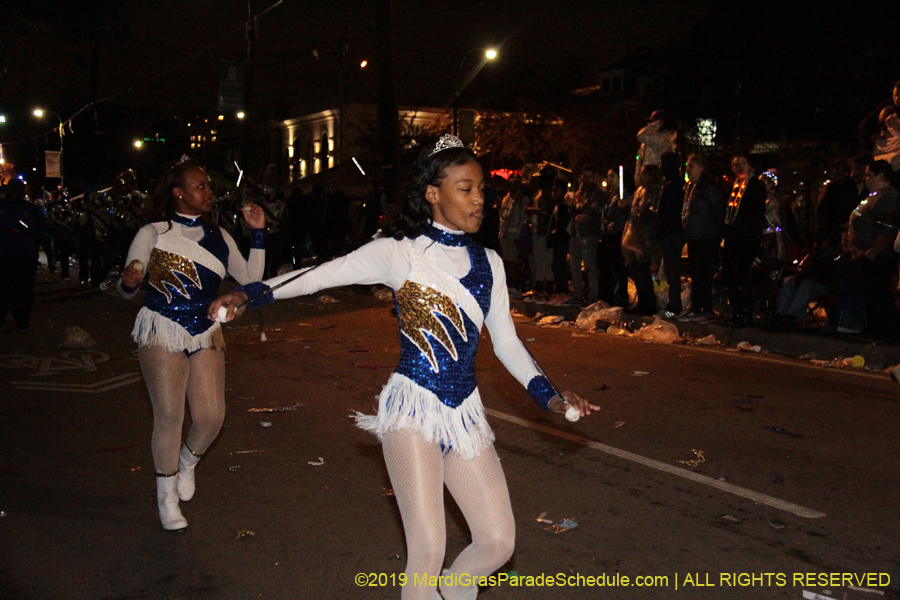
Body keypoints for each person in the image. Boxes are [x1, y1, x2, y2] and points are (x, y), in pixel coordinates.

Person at [209, 135, 599, 600]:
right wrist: (248, 295)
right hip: (412, 409)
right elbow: (316, 276)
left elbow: (509, 345)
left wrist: (552, 397)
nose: (479, 200)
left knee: (497, 543)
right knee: (428, 551)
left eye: (481, 190)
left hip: (464, 414)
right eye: (466, 188)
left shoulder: (489, 263)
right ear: (433, 193)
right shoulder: (399, 252)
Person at [117, 157, 266, 531]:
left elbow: (251, 281)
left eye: (208, 186)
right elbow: (126, 285)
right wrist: (131, 281)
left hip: (205, 330)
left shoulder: (219, 235)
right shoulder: (154, 232)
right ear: (178, 192)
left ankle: (187, 461)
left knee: (212, 416)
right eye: (200, 186)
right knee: (169, 415)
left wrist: (259, 234)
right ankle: (166, 497)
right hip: (162, 327)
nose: (208, 191)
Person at [848, 159, 900, 339]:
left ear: (881, 176)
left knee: (878, 292)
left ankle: (884, 329)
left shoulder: (888, 196)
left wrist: (875, 249)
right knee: (871, 292)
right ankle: (876, 327)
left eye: (869, 174)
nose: (866, 178)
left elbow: (889, 225)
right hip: (865, 253)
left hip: (878, 256)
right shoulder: (875, 195)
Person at [721, 154, 767, 327]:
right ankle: (736, 311)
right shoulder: (732, 187)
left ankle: (747, 313)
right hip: (731, 239)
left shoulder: (756, 186)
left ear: (749, 166)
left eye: (742, 163)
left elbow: (756, 212)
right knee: (729, 275)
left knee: (742, 275)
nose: (739, 167)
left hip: (746, 239)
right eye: (735, 164)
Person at [679, 154, 724, 324]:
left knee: (701, 273)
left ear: (701, 168)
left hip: (706, 236)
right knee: (695, 273)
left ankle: (706, 309)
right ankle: (697, 307)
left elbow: (718, 210)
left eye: (691, 167)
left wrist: (713, 232)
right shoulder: (692, 187)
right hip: (694, 236)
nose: (687, 170)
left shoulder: (707, 188)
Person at [0, 179, 49, 329]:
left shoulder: (31, 209)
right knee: (3, 289)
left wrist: (27, 232)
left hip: (24, 257)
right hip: (3, 256)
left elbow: (43, 229)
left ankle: (22, 318)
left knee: (23, 290)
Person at [622, 164, 663, 315]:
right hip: (639, 237)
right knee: (637, 270)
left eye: (645, 175)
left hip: (648, 239)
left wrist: (642, 213)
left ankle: (649, 303)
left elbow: (653, 214)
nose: (641, 178)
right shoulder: (641, 191)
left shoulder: (655, 192)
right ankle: (644, 302)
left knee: (645, 272)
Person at [656, 153, 685, 318]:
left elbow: (669, 211)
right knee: (670, 269)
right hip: (670, 232)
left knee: (672, 269)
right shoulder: (669, 183)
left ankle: (675, 304)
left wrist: (660, 228)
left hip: (672, 233)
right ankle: (673, 302)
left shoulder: (674, 185)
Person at [635, 110, 677, 188]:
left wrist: (656, 124)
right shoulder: (653, 138)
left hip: (652, 178)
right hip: (648, 177)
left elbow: (640, 135)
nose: (649, 124)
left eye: (652, 121)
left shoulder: (660, 138)